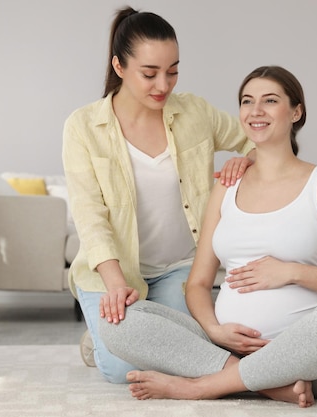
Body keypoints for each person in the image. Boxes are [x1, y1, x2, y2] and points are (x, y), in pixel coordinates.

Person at [97, 65, 317, 407]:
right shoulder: (226, 186)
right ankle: (263, 384)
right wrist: (214, 330)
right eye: (247, 101)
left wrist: (291, 271)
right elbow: (197, 283)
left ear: (296, 112)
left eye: (270, 100)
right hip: (225, 347)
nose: (256, 111)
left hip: (312, 361)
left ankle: (203, 386)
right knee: (117, 323)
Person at [62, 6, 254, 384]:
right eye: (149, 74)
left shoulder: (194, 112)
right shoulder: (83, 126)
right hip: (113, 274)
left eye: (173, 71)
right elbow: (89, 215)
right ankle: (98, 343)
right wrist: (116, 286)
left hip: (178, 269)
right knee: (125, 371)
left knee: (196, 350)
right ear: (119, 67)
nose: (163, 85)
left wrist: (246, 161)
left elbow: (258, 139)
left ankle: (127, 331)